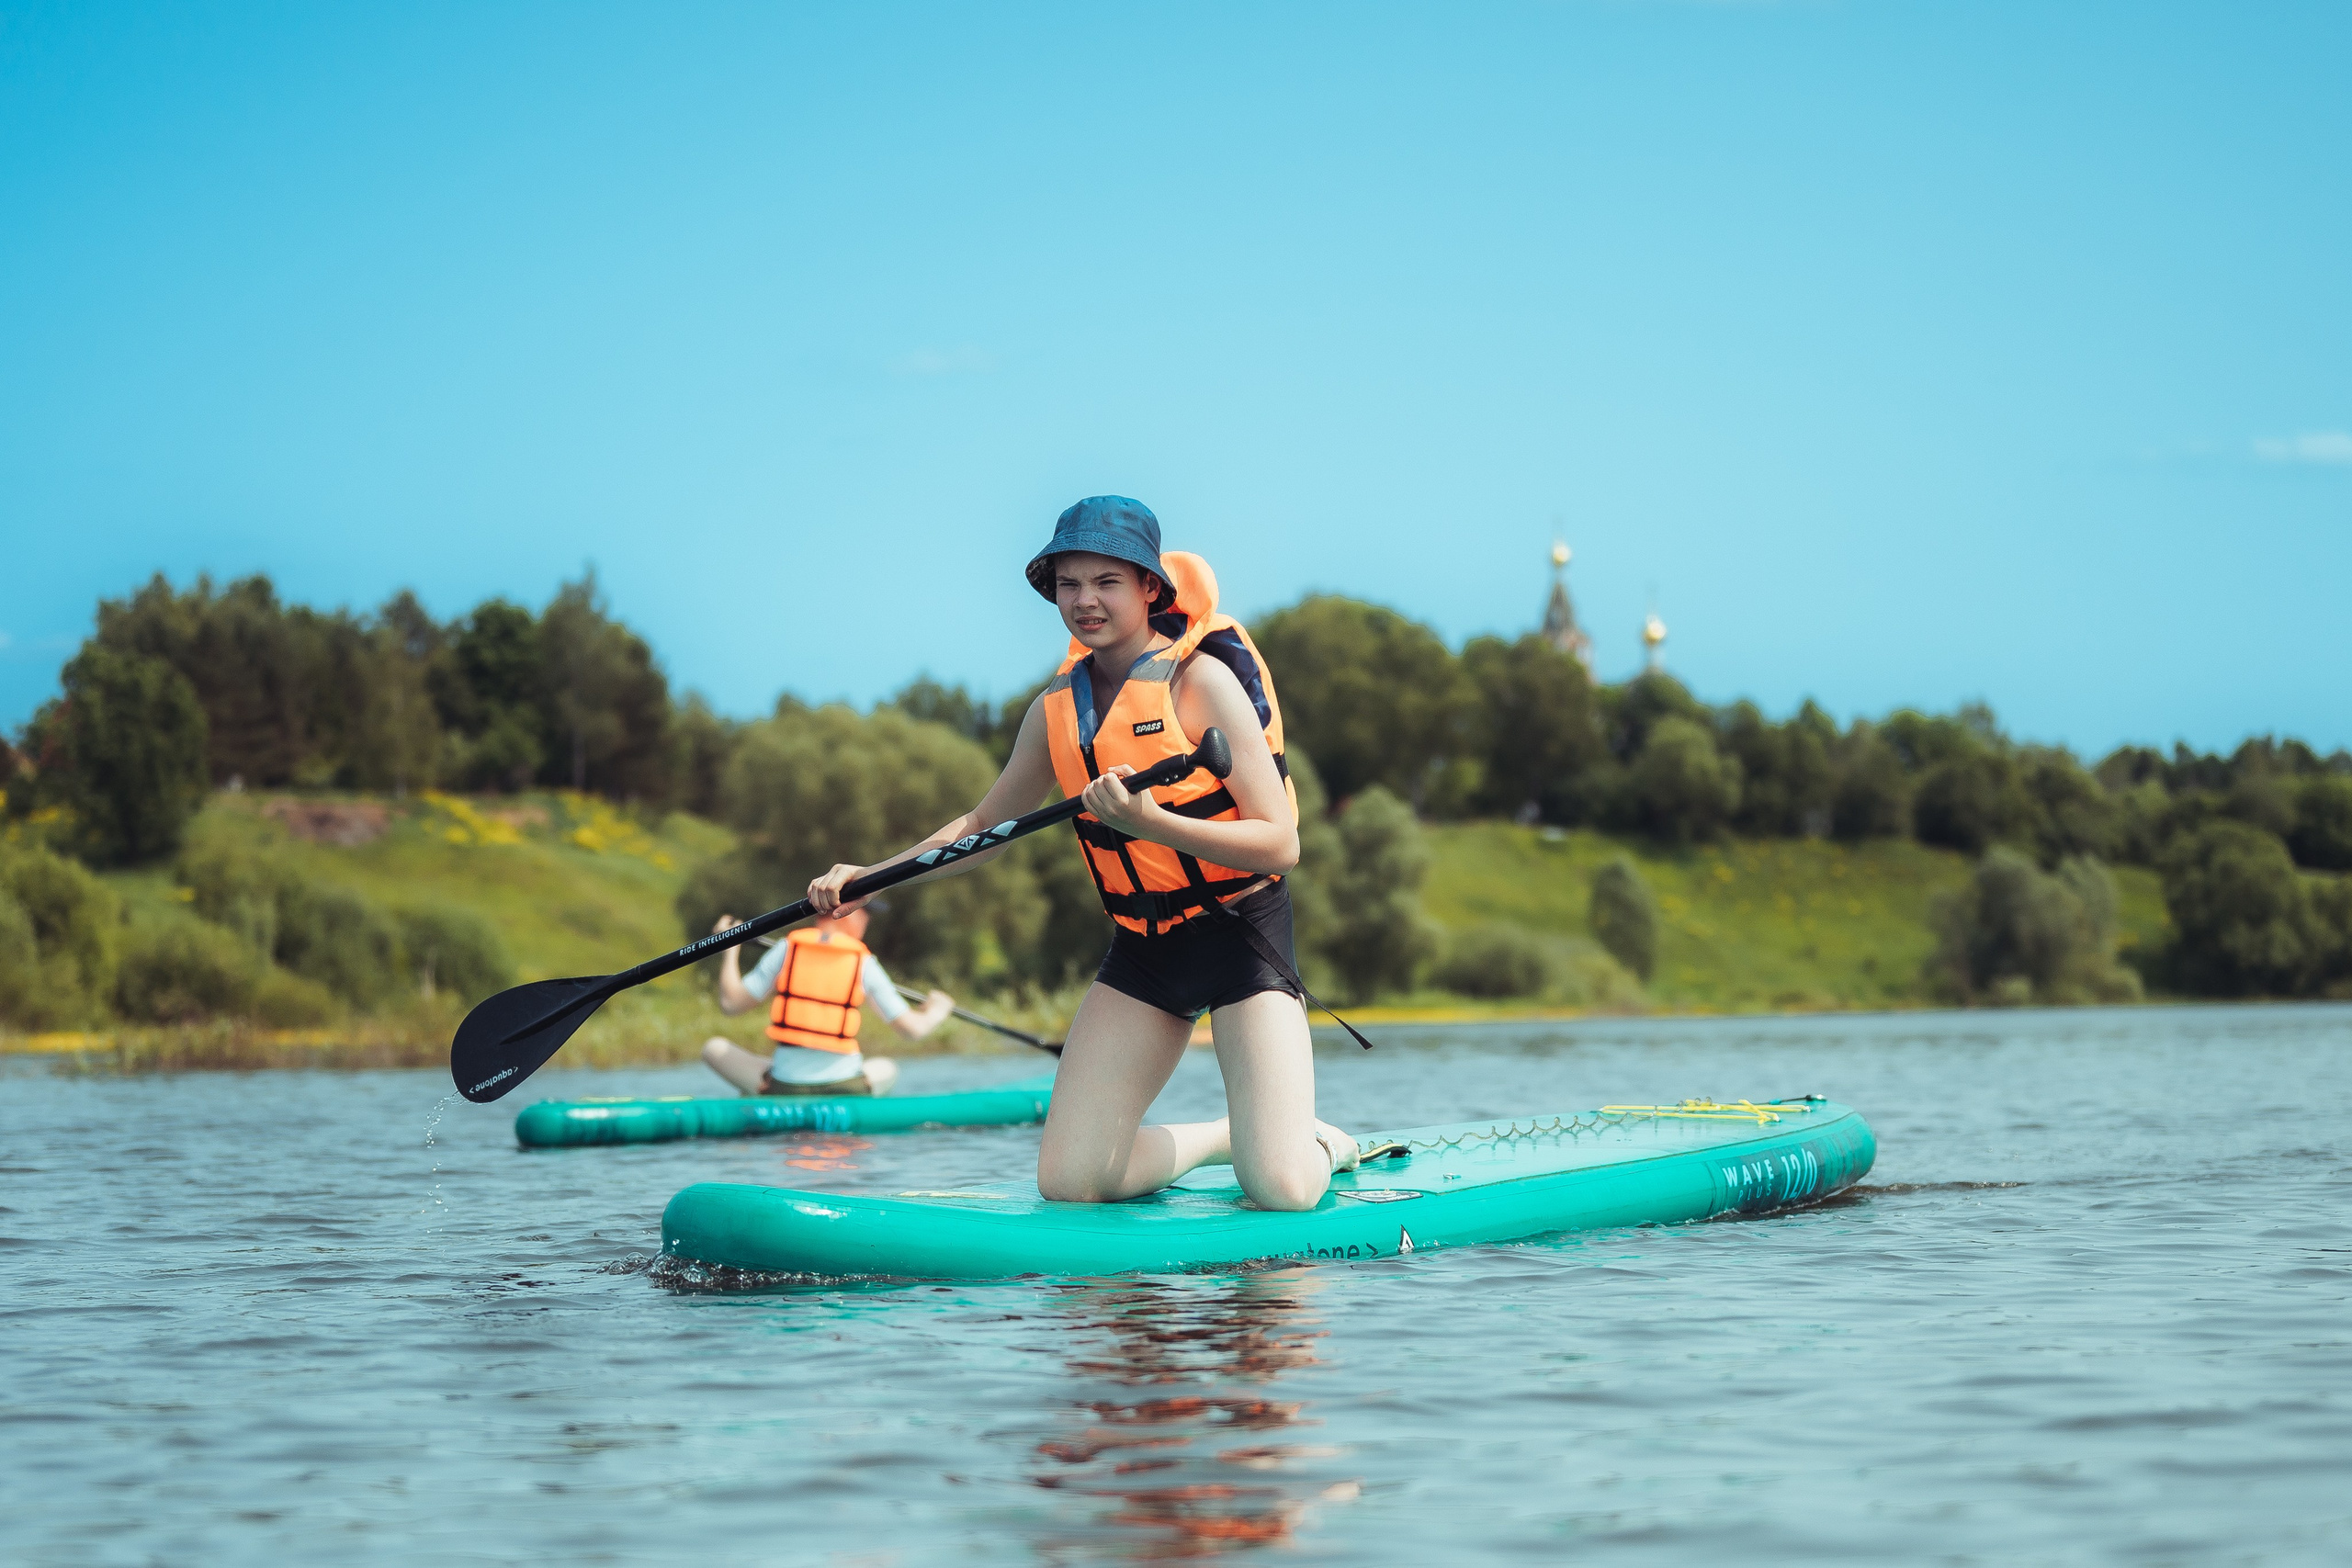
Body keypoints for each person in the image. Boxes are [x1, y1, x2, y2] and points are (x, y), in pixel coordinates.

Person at [802, 496, 1367, 1211]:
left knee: (1282, 1190)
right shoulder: (1055, 712)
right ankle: (1227, 1134)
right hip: (1145, 950)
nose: (1085, 600)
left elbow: (1281, 843)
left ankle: (1315, 1145)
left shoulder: (1201, 682)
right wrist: (868, 878)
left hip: (1244, 935)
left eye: (1107, 581)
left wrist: (1154, 824)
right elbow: (982, 825)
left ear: (1149, 588)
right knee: (1070, 1182)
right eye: (1069, 583)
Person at [700, 900, 953, 1097]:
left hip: (784, 1086)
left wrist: (730, 950)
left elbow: (731, 1004)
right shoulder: (864, 962)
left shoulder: (787, 948)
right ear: (846, 912)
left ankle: (760, 1096)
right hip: (846, 1085)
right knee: (887, 1068)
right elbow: (913, 1030)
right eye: (865, 914)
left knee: (713, 1048)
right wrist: (938, 1009)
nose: (866, 923)